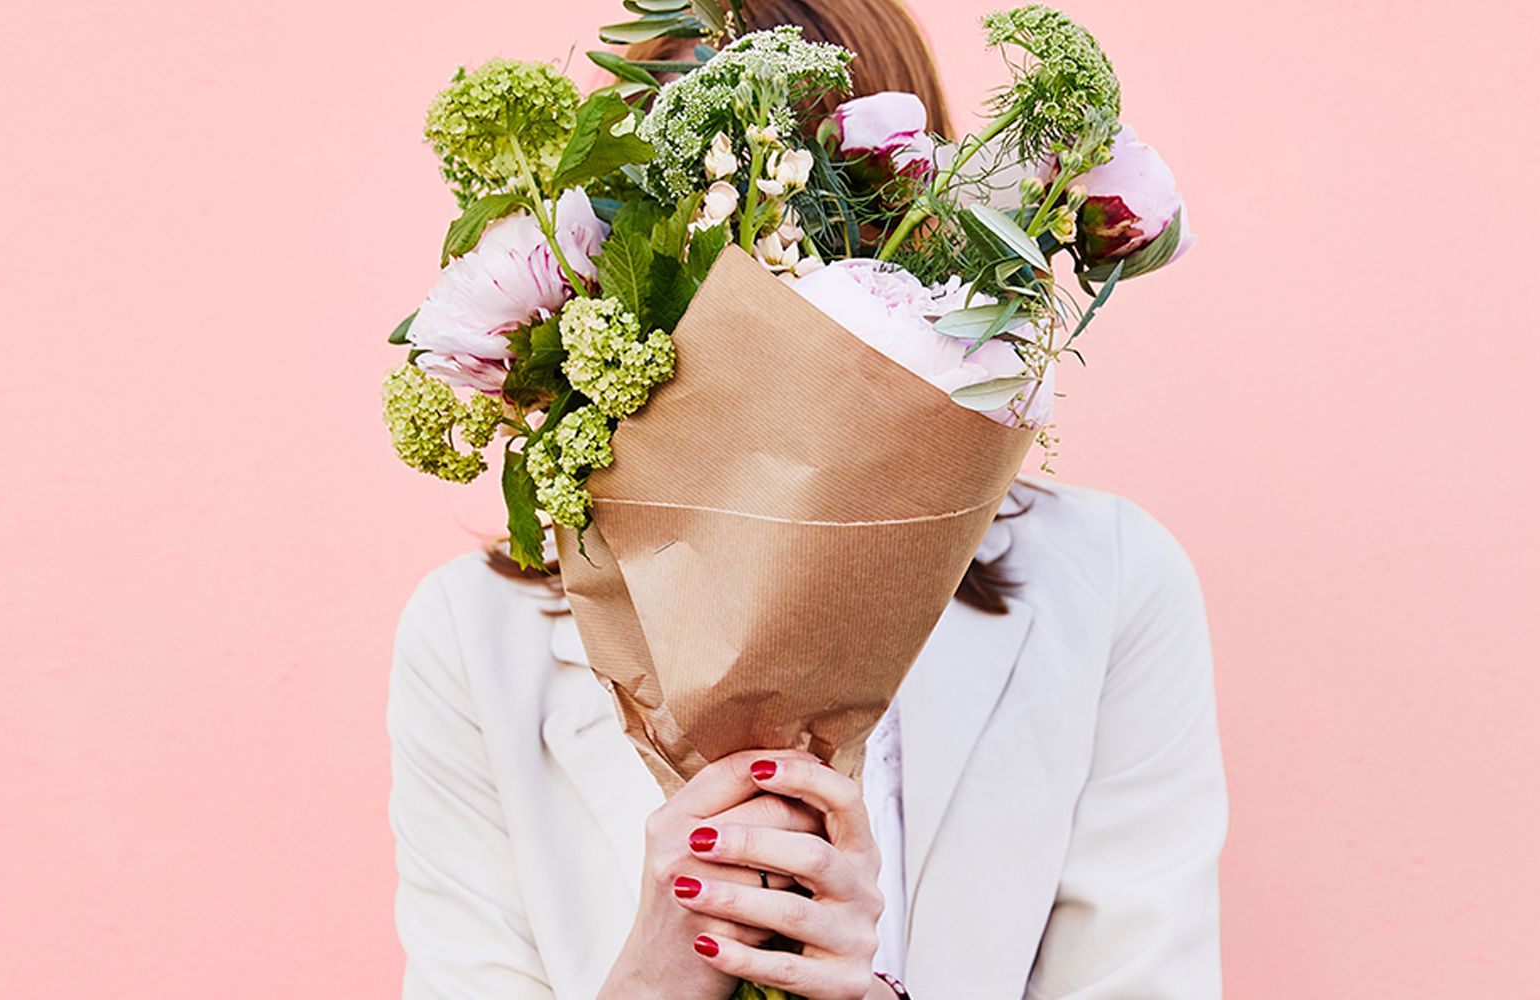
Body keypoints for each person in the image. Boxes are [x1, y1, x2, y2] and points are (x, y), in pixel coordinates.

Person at [388, 3, 1227, 997]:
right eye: (667, 215)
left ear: (920, 230)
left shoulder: (1107, 584)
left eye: (795, 207)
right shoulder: (474, 635)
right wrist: (659, 974)